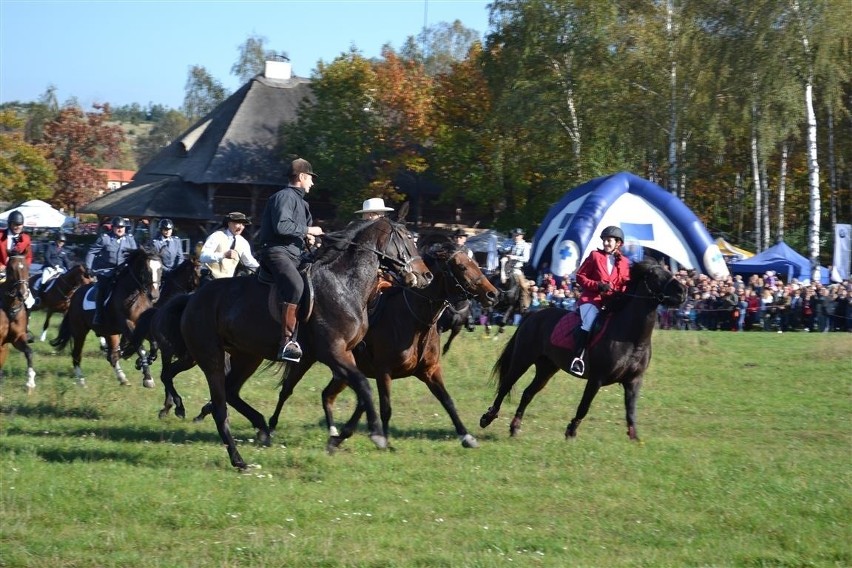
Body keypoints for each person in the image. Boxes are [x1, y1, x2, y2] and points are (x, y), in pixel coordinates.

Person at [258, 158, 324, 362]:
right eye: (311, 179)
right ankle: (287, 342)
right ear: (302, 177)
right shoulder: (284, 196)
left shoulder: (302, 202)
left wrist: (309, 238)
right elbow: (281, 227)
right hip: (277, 252)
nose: (312, 183)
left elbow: (296, 232)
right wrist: (308, 230)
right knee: (296, 286)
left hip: (296, 254)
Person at [569, 225, 631, 376]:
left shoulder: (624, 262)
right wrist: (597, 285)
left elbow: (625, 283)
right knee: (589, 323)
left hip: (612, 301)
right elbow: (580, 276)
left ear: (618, 243)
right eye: (604, 240)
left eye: (609, 240)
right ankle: (578, 359)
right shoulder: (595, 256)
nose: (606, 243)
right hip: (592, 298)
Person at [85, 216, 138, 325]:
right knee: (102, 288)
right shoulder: (105, 238)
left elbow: (135, 256)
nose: (120, 229)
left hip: (124, 271)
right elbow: (91, 252)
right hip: (106, 271)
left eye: (122, 227)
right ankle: (98, 315)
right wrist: (88, 267)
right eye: (117, 227)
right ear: (112, 228)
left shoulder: (130, 239)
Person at [198, 212, 260, 280]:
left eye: (243, 224)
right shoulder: (216, 236)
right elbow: (203, 257)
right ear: (229, 223)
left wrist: (262, 269)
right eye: (238, 223)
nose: (241, 227)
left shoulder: (243, 242)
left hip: (227, 283)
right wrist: (223, 255)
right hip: (210, 280)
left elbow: (249, 262)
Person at [33, 233, 72, 303]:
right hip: (50, 268)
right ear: (56, 240)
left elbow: (67, 261)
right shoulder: (50, 247)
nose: (61, 243)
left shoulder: (64, 251)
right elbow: (47, 257)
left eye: (63, 242)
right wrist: (52, 265)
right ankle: (38, 297)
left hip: (60, 269)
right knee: (44, 280)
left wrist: (70, 269)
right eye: (60, 241)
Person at [505, 227, 532, 309]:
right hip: (506, 268)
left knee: (523, 286)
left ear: (521, 236)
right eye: (514, 235)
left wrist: (514, 257)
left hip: (516, 269)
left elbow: (526, 258)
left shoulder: (525, 245)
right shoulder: (510, 243)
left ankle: (525, 305)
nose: (515, 237)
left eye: (517, 235)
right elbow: (502, 249)